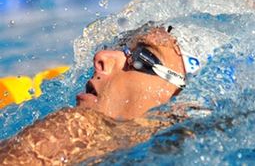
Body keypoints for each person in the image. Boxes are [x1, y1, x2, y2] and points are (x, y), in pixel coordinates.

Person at [0, 23, 221, 165]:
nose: (102, 56)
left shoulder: (78, 125)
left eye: (143, 57)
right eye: (121, 46)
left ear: (182, 107)